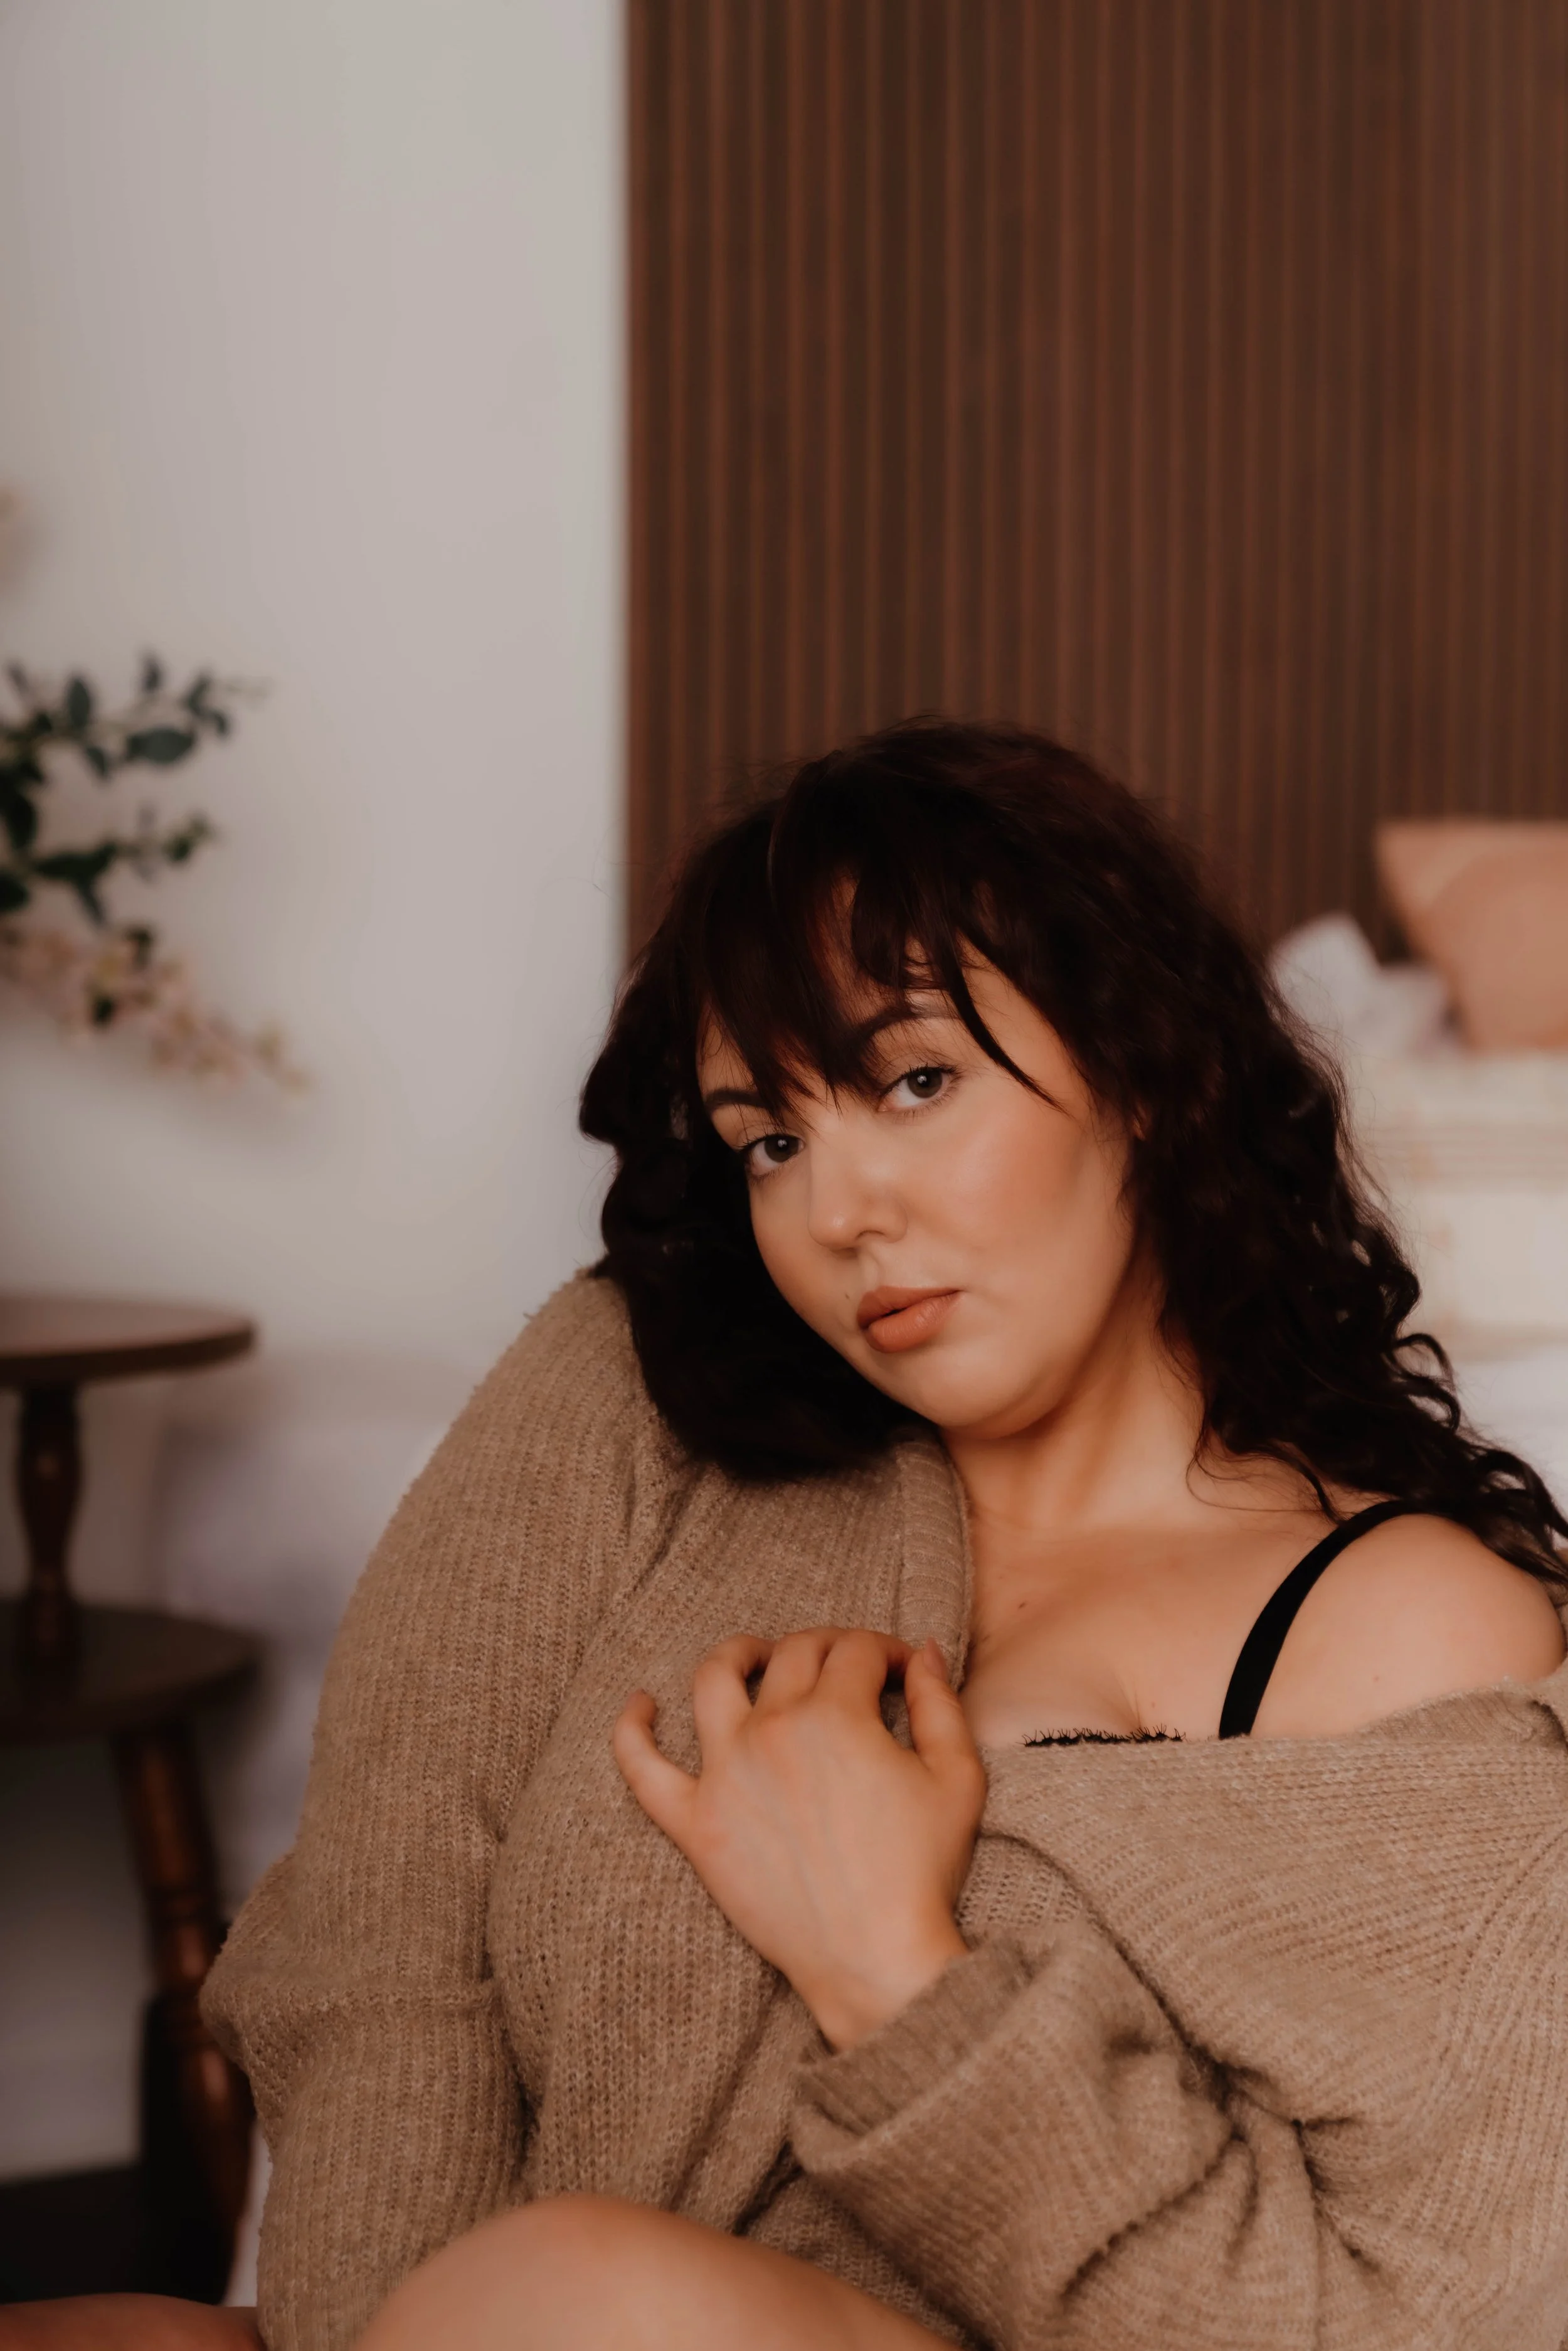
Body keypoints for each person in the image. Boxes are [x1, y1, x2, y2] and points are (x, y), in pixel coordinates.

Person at [13, 719, 1568, 2351]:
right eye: (770, 1136)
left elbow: (1419, 2318)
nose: (835, 1214)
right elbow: (384, 1936)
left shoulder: (1406, 1625)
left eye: (913, 1079)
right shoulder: (637, 1396)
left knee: (571, 2298)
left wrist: (899, 1975)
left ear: (1152, 1071)